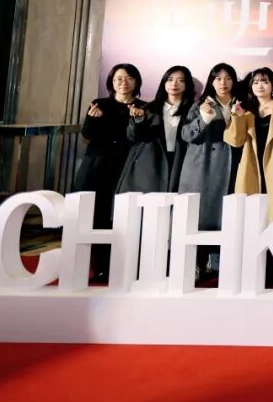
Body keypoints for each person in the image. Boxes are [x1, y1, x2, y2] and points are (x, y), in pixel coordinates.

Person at [72, 63, 143, 279]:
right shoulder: (99, 104)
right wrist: (92, 120)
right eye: (119, 78)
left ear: (136, 82)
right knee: (98, 216)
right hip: (98, 167)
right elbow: (87, 134)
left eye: (129, 78)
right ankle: (100, 265)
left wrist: (138, 119)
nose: (124, 82)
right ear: (112, 82)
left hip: (128, 168)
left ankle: (125, 264)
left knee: (123, 217)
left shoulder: (144, 107)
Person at [177, 63, 242, 278]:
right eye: (218, 78)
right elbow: (187, 135)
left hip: (233, 166)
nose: (223, 83)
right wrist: (204, 118)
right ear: (211, 82)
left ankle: (217, 261)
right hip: (202, 166)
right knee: (199, 214)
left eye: (228, 78)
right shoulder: (201, 104)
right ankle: (194, 261)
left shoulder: (241, 103)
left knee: (227, 215)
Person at [225, 68, 273, 222]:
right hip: (251, 167)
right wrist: (237, 117)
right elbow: (236, 141)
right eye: (256, 82)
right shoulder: (246, 111)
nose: (260, 86)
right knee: (251, 218)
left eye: (265, 82)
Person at [116, 65, 195, 195]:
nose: (174, 84)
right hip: (150, 164)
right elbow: (132, 137)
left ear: (187, 84)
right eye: (170, 79)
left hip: (180, 162)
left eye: (181, 80)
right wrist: (138, 120)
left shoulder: (193, 109)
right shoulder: (148, 108)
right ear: (164, 83)